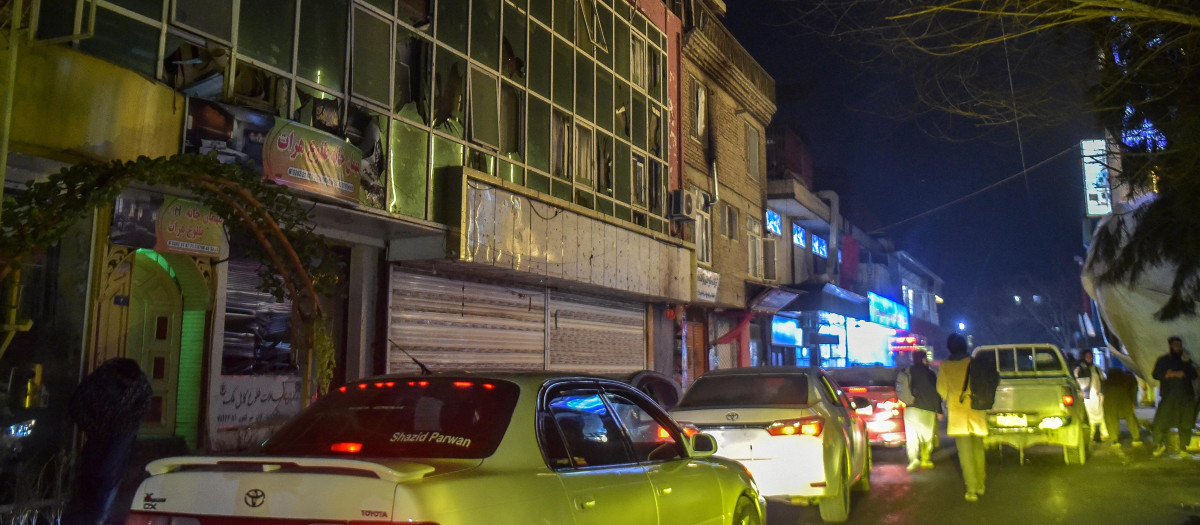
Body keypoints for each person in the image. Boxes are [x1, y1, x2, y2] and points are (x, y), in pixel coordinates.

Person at [61, 358, 153, 525]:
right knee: (93, 476)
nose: (129, 384)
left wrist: (127, 425)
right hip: (100, 435)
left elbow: (143, 406)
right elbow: (77, 406)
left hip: (120, 435)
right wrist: (93, 428)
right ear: (119, 375)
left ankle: (99, 517)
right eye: (126, 381)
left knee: (107, 477)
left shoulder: (140, 385)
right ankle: (92, 515)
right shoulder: (101, 381)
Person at [936, 333, 988, 501]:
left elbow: (942, 391)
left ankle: (971, 489)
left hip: (958, 412)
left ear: (949, 347)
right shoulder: (974, 362)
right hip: (976, 409)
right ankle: (981, 484)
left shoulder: (945, 366)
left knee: (964, 452)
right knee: (978, 449)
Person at [1151, 336, 1198, 458]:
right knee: (1160, 422)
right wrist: (1167, 374)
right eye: (1175, 345)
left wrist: (1183, 373)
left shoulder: (1186, 361)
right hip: (1168, 397)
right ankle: (1158, 444)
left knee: (1185, 422)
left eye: (1179, 345)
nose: (1177, 347)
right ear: (1170, 346)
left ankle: (1183, 447)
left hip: (1186, 397)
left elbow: (1194, 374)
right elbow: (1155, 374)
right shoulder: (1163, 360)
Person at [897, 351, 941, 471]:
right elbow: (935, 393)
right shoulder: (929, 373)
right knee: (927, 436)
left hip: (910, 409)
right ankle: (925, 459)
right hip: (927, 409)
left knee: (912, 437)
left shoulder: (907, 372)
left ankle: (913, 459)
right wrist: (939, 410)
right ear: (923, 359)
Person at [1102, 364, 1142, 450]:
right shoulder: (1128, 380)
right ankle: (1136, 438)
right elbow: (1134, 390)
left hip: (1110, 403)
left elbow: (1103, 393)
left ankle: (1114, 440)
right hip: (1124, 400)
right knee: (1130, 418)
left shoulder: (1106, 382)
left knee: (1111, 420)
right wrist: (1133, 402)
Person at [1073, 351, 1108, 442]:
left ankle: (1104, 432)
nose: (1090, 358)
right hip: (1086, 397)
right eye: (1087, 356)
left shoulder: (1097, 369)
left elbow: (1103, 380)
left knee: (1101, 413)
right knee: (1089, 415)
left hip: (1098, 395)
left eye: (1091, 356)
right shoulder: (1079, 369)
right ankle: (1092, 434)